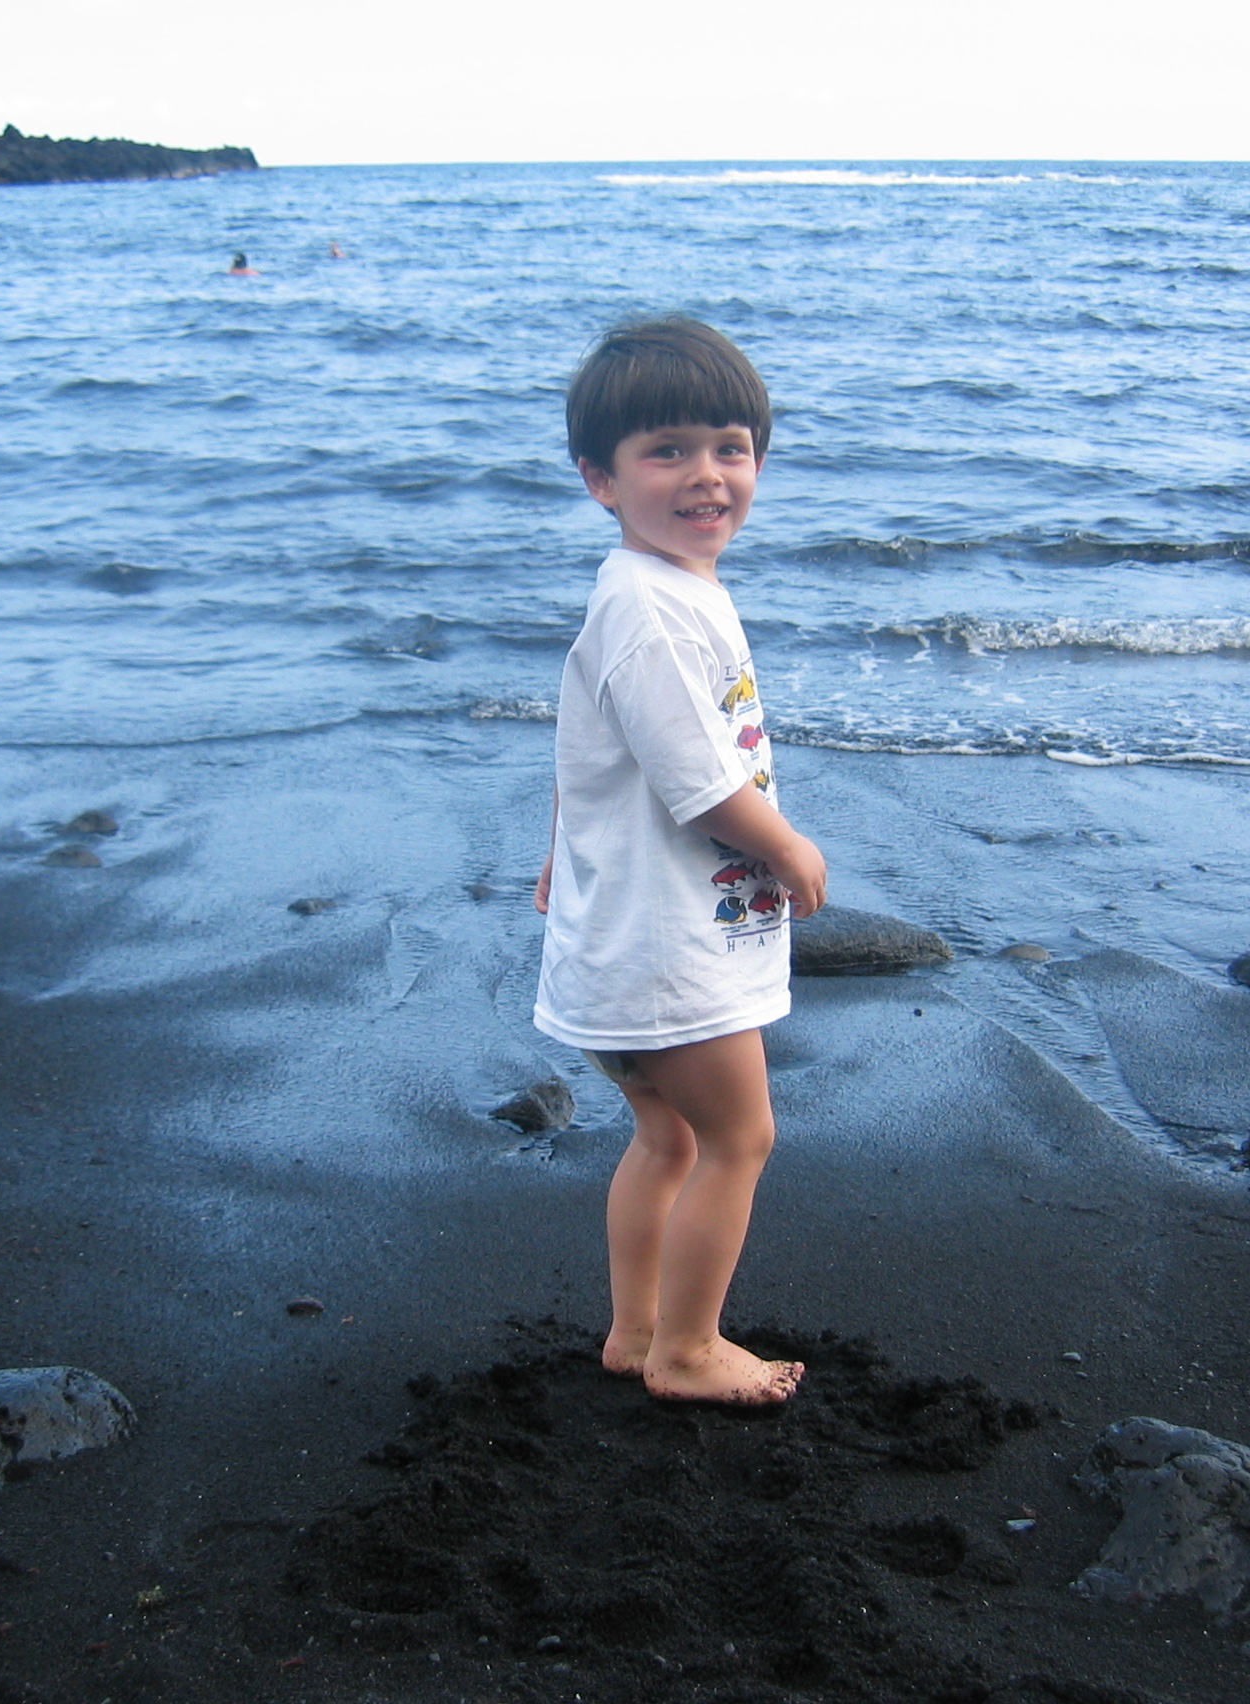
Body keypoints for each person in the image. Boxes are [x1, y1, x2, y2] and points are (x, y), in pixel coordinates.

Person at [533, 318, 828, 1407]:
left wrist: (556, 860)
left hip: (626, 943)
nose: (706, 474)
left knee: (666, 1139)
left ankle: (636, 1332)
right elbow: (698, 783)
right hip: (667, 955)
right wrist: (786, 844)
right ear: (601, 480)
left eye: (729, 447)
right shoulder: (649, 607)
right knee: (738, 1138)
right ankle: (689, 1351)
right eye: (667, 451)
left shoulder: (657, 588)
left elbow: (589, 756)